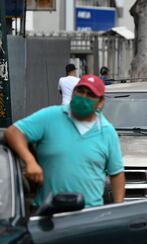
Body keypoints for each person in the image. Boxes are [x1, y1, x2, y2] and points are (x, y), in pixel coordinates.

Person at [4, 75, 125, 208]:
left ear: (100, 102)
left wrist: (117, 210)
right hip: (48, 215)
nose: (83, 97)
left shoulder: (107, 132)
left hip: (90, 216)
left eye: (90, 95)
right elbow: (13, 132)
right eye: (80, 91)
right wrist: (29, 161)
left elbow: (116, 173)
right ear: (73, 93)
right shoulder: (50, 116)